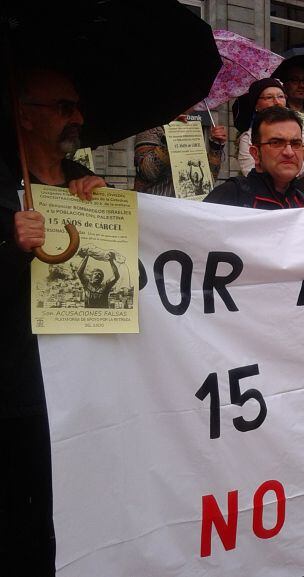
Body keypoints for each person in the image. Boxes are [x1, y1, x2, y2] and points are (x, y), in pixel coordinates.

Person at [2, 67, 106, 575]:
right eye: (64, 106)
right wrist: (8, 245)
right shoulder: (4, 187)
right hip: (19, 394)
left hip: (87, 388)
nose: (78, 117)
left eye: (77, 106)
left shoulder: (84, 186)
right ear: (24, 114)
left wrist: (113, 219)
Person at [235, 78, 304, 207]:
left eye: (281, 96)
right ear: (256, 105)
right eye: (269, 97)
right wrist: (301, 155)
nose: (277, 102)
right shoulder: (248, 138)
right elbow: (253, 175)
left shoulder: (302, 133)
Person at [204, 106, 304, 209]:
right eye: (276, 143)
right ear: (255, 153)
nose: (289, 152)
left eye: (296, 144)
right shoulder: (231, 196)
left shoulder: (301, 201)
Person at [133, 111, 226, 197]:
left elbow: (208, 179)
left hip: (188, 206)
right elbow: (147, 173)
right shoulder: (152, 128)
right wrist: (172, 134)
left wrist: (215, 148)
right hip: (156, 205)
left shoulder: (193, 128)